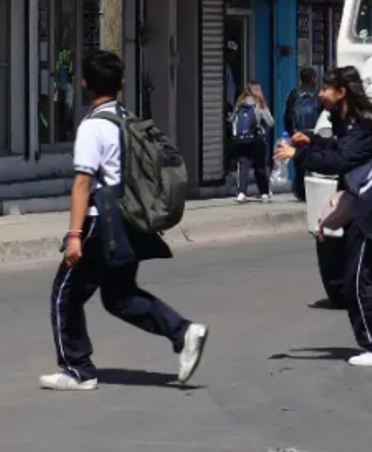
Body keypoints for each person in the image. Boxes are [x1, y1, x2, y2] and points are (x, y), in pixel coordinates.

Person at [42, 49, 208, 391]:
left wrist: (74, 234)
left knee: (66, 294)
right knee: (119, 296)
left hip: (99, 221)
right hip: (127, 218)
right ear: (121, 84)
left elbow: (82, 183)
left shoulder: (93, 127)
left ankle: (77, 370)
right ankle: (182, 331)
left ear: (85, 84)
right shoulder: (127, 119)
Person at [274, 66, 372, 367]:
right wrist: (311, 141)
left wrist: (297, 156)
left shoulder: (361, 125)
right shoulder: (348, 123)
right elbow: (341, 150)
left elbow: (340, 160)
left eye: (326, 89)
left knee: (356, 278)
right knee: (361, 277)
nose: (320, 95)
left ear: (341, 93)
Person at [232, 81, 275, 203]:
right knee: (260, 166)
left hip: (242, 139)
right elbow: (270, 122)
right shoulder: (259, 103)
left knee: (243, 165)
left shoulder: (240, 103)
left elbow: (232, 119)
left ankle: (241, 193)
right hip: (257, 139)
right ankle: (264, 193)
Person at [283, 67, 322, 202]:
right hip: (314, 133)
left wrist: (291, 132)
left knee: (299, 162)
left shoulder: (294, 94)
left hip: (298, 133)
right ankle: (311, 190)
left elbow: (288, 116)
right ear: (313, 79)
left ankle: (300, 191)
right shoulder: (318, 95)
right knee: (314, 161)